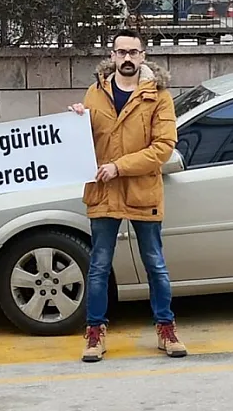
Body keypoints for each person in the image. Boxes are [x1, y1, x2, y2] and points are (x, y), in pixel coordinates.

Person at [68, 29, 187, 363]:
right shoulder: (95, 93)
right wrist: (76, 119)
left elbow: (163, 147)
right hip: (103, 193)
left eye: (134, 52)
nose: (127, 58)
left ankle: (166, 328)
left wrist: (119, 167)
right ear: (113, 55)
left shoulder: (158, 96)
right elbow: (85, 140)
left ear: (143, 56)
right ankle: (94, 333)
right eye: (121, 52)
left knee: (155, 264)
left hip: (140, 191)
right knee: (99, 265)